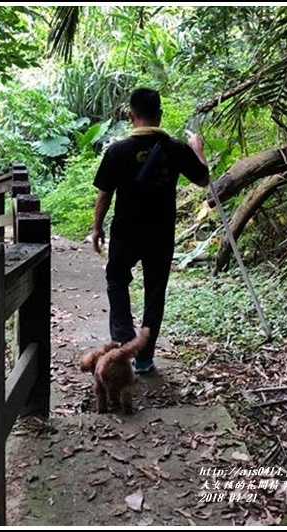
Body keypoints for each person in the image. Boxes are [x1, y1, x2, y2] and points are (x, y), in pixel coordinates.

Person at [91, 88, 210, 374]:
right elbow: (204, 179)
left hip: (126, 232)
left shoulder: (117, 150)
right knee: (155, 291)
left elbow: (105, 194)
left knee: (117, 280)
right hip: (160, 232)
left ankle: (123, 340)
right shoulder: (177, 148)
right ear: (160, 114)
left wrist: (96, 228)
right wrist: (198, 148)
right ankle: (144, 358)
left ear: (131, 116)